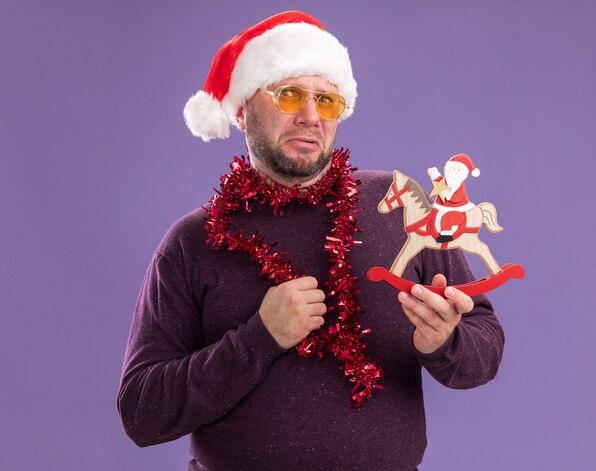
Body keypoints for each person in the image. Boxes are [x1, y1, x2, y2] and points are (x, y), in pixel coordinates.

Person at [118, 11, 504, 471]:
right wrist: (260, 338)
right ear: (242, 110)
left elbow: (484, 347)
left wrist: (444, 341)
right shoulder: (192, 242)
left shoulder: (400, 208)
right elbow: (143, 413)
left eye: (326, 101)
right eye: (289, 95)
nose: (309, 116)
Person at [428, 154, 481, 243]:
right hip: (440, 207)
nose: (454, 173)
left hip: (458, 210)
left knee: (448, 218)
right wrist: (434, 175)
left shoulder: (459, 186)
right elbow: (439, 183)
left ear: (464, 174)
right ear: (448, 169)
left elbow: (458, 197)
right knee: (431, 215)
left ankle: (447, 235)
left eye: (458, 170)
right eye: (453, 169)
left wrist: (448, 194)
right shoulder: (445, 181)